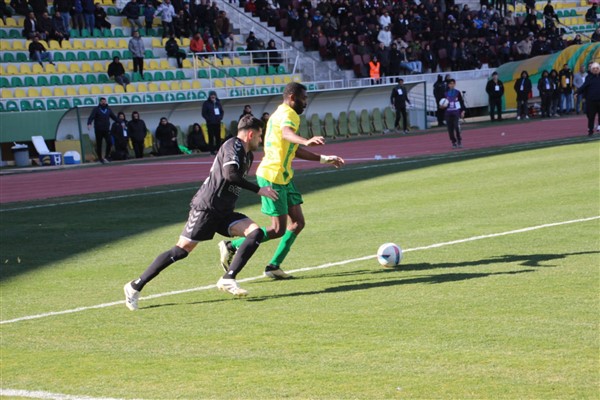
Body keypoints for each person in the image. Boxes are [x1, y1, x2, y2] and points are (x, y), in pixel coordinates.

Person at [123, 116, 279, 310]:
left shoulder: (248, 155)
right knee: (181, 250)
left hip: (224, 211)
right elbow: (230, 175)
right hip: (207, 207)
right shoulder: (234, 146)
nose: (260, 140)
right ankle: (134, 286)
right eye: (259, 135)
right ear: (250, 133)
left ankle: (228, 278)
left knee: (255, 232)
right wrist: (259, 190)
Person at [218, 83, 344, 280]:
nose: (306, 102)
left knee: (298, 223)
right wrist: (305, 140)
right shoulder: (288, 114)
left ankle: (273, 266)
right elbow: (287, 133)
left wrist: (323, 159)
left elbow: (292, 148)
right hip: (272, 176)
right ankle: (231, 245)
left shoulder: (280, 113)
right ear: (292, 97)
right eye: (304, 98)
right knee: (278, 229)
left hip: (284, 176)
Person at [87, 97, 118, 163]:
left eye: (104, 101)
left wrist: (121, 122)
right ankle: (100, 158)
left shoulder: (108, 109)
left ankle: (106, 156)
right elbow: (91, 117)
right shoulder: (96, 109)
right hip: (98, 130)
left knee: (109, 142)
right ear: (100, 102)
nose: (103, 102)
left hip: (106, 129)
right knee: (99, 144)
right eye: (102, 101)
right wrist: (89, 123)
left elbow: (114, 117)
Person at [574, 62, 600, 136]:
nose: (595, 70)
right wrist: (576, 92)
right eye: (594, 68)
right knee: (591, 116)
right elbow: (583, 87)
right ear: (591, 70)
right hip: (591, 101)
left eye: (597, 68)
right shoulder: (588, 78)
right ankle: (590, 130)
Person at [441, 78, 466, 148]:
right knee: (450, 129)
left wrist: (462, 111)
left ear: (455, 84)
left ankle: (459, 140)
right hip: (448, 113)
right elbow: (441, 104)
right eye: (450, 84)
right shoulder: (445, 94)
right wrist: (442, 106)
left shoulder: (457, 93)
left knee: (456, 126)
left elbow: (461, 102)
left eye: (453, 83)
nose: (452, 85)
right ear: (448, 85)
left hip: (456, 112)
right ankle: (453, 142)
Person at [202, 91, 224, 155]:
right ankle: (212, 150)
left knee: (218, 137)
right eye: (211, 95)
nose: (213, 96)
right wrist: (208, 119)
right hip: (210, 123)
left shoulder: (218, 103)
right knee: (211, 137)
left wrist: (220, 117)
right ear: (209, 96)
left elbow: (222, 111)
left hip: (217, 122)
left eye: (214, 95)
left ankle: (218, 150)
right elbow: (204, 113)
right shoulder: (206, 103)